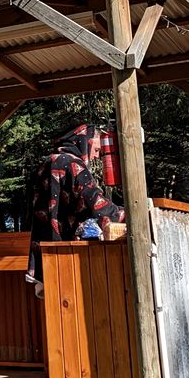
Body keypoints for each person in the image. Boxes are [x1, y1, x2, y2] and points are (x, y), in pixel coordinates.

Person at [27, 123, 125, 297]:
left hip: (45, 252)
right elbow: (94, 203)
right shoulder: (73, 164)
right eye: (96, 149)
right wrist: (127, 213)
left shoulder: (45, 164)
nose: (96, 156)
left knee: (56, 315)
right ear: (83, 141)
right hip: (69, 252)